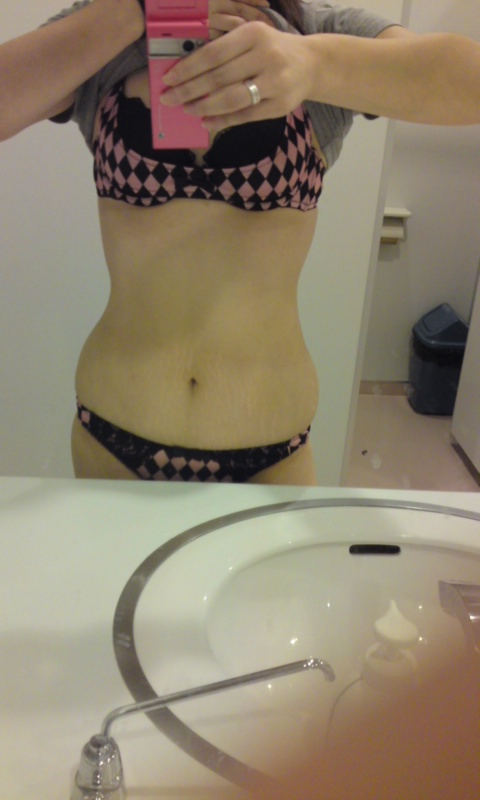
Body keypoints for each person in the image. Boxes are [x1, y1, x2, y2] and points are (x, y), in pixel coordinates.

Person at [0, 1, 477, 486]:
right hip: (112, 435)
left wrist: (315, 65)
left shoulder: (314, 30)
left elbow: (470, 83)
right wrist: (140, 9)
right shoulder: (110, 29)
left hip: (269, 452)